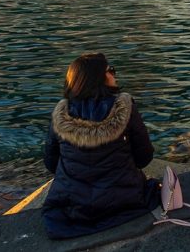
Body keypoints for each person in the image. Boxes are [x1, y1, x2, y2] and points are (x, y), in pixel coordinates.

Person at [42, 53, 160, 239]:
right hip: (126, 200)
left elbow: (51, 163)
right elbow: (144, 158)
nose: (114, 74)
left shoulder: (61, 113)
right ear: (99, 78)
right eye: (111, 70)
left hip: (73, 208)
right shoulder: (125, 107)